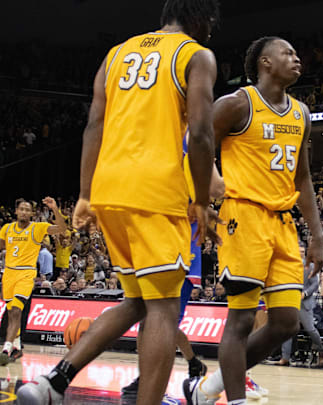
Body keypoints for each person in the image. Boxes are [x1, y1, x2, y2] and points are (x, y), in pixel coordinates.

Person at [17, 1, 221, 404]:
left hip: (110, 189)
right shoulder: (196, 55)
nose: (212, 32)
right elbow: (199, 133)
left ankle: (52, 383)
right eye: (212, 24)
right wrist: (199, 200)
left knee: (136, 302)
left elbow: (94, 123)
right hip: (156, 192)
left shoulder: (116, 54)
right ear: (201, 18)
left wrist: (85, 194)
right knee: (163, 308)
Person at [184, 36, 323, 405]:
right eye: (288, 53)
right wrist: (205, 186)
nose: (297, 59)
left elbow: (304, 177)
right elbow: (193, 140)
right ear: (265, 62)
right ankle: (235, 400)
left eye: (297, 54)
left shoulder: (302, 113)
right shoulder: (237, 103)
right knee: (242, 320)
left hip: (283, 221)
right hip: (243, 216)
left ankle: (210, 389)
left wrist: (318, 235)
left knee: (285, 323)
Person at [122, 130, 226, 399]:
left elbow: (211, 192)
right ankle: (156, 381)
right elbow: (215, 190)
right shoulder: (177, 140)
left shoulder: (174, 139)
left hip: (173, 250)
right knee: (158, 321)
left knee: (157, 322)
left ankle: (152, 385)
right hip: (167, 248)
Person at [0, 198, 66, 365]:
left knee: (15, 310)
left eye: (27, 209)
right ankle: (17, 346)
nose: (23, 212)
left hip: (26, 274)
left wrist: (55, 209)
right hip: (8, 273)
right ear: (16, 211)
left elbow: (62, 229)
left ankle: (6, 349)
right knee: (11, 312)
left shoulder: (38, 228)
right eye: (21, 209)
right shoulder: (6, 229)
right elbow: (2, 247)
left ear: (32, 213)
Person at [279, 245, 323, 368]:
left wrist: (305, 293)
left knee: (310, 329)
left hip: (304, 303)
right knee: (286, 330)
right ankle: (285, 358)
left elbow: (315, 284)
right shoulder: (288, 265)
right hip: (290, 301)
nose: (300, 253)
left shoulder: (310, 266)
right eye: (298, 251)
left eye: (302, 251)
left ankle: (321, 353)